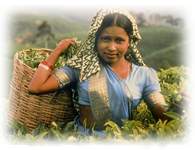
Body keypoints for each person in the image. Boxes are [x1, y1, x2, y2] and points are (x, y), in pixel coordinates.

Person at [28, 9, 168, 135]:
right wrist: (58, 50)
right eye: (105, 39)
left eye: (119, 40)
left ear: (129, 42)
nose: (112, 47)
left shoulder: (145, 75)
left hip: (122, 140)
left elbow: (163, 114)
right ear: (95, 40)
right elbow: (36, 87)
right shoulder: (82, 68)